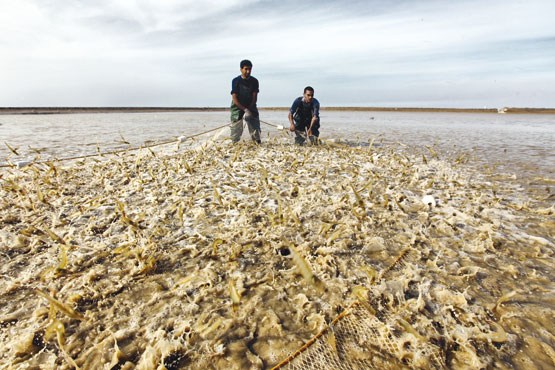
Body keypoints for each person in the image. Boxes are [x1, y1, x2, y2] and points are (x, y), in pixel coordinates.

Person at [230, 59, 261, 143]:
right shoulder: (236, 81)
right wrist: (244, 110)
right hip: (238, 106)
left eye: (250, 69)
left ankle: (257, 143)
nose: (248, 71)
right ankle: (234, 143)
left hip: (251, 104)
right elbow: (234, 98)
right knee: (235, 131)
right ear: (241, 69)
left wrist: (249, 109)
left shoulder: (254, 81)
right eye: (246, 69)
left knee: (256, 131)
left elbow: (254, 97)